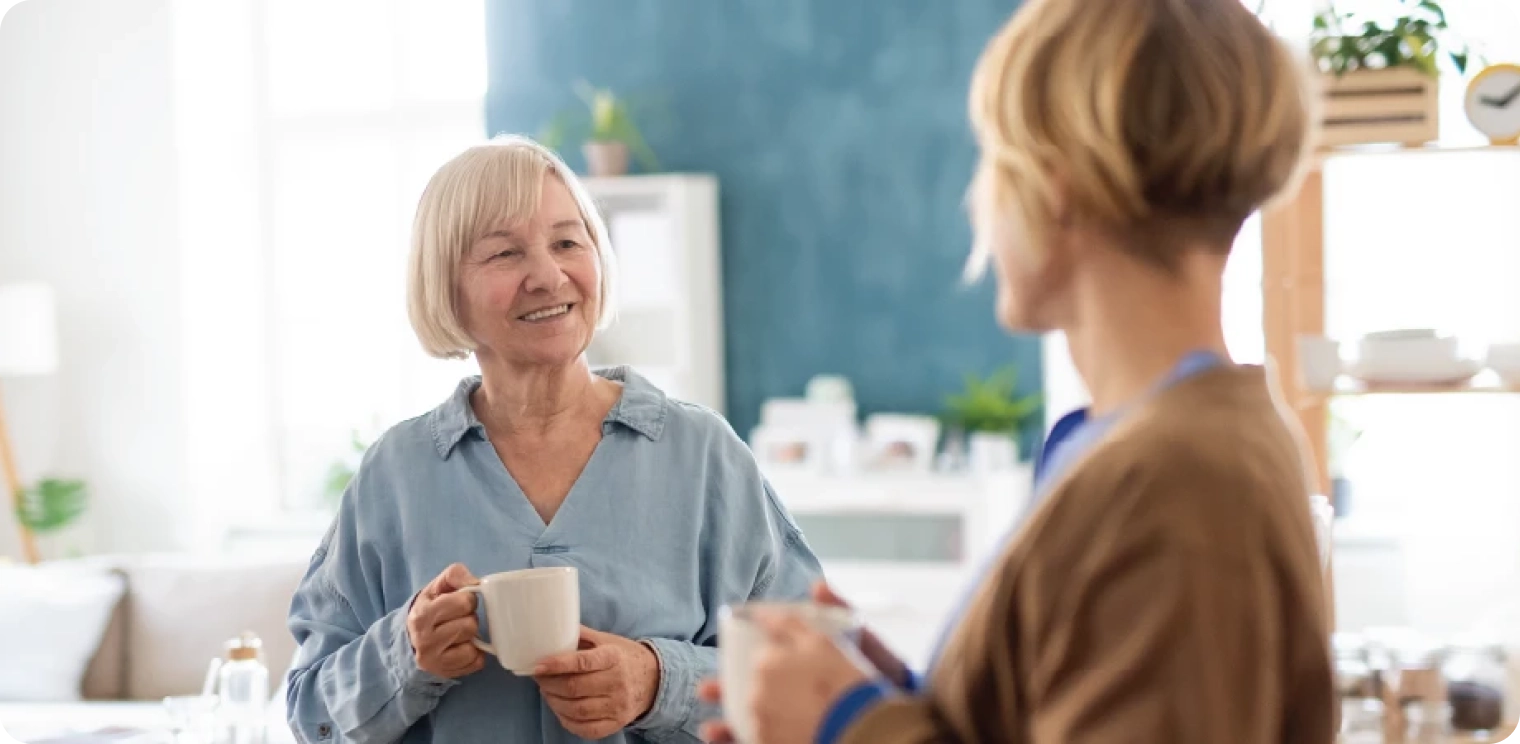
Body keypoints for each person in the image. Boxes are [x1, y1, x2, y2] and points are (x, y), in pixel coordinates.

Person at [699, 0, 1335, 742]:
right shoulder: (1180, 441)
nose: (979, 204)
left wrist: (850, 726)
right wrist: (902, 698)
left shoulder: (1172, 480)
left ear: (1057, 185)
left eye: (994, 161)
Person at [284, 135, 824, 744]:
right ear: (447, 288)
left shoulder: (703, 456)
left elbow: (814, 679)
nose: (547, 275)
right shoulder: (396, 475)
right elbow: (310, 715)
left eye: (568, 242)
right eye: (505, 254)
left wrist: (658, 681)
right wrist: (406, 655)